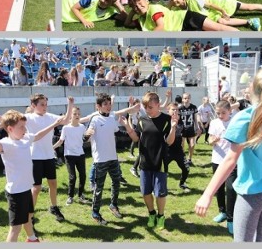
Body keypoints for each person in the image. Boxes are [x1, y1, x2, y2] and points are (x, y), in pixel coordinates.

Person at [0, 108, 66, 242]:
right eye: (21, 127)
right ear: (10, 129)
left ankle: (32, 239)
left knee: (28, 216)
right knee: (15, 228)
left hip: (26, 189)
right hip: (16, 193)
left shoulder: (25, 139)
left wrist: (54, 124)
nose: (25, 129)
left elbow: (39, 135)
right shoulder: (6, 143)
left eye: (25, 126)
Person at [195, 68, 262, 242]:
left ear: (255, 89)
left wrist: (207, 194)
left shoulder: (245, 118)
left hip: (251, 194)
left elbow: (230, 159)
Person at [124, 92, 178, 230]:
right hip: (145, 162)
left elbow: (169, 142)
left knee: (160, 193)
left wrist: (173, 127)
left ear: (158, 105)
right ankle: (151, 213)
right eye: (145, 107)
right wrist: (128, 127)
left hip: (160, 162)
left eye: (150, 107)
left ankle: (160, 215)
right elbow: (137, 139)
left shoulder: (167, 119)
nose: (147, 110)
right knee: (145, 192)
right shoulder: (142, 119)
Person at [84, 93, 139, 225]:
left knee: (116, 183)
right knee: (99, 188)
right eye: (105, 104)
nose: (108, 106)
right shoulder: (95, 119)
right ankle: (95, 213)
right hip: (100, 161)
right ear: (98, 106)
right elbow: (86, 136)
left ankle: (113, 205)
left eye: (109, 103)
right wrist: (86, 135)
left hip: (113, 159)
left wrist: (130, 131)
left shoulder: (111, 118)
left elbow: (118, 133)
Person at [126, 0, 239, 31]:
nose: (139, 7)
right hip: (182, 28)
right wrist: (132, 12)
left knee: (219, 29)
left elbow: (160, 26)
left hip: (187, 18)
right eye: (136, 7)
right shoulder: (142, 18)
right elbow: (128, 24)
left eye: (140, 4)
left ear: (147, 1)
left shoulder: (154, 9)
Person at [169, 0, 262, 31]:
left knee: (248, 7)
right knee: (220, 22)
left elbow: (210, 5)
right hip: (209, 18)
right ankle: (249, 21)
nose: (174, 1)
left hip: (221, 4)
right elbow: (166, 13)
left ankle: (254, 18)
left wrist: (222, 11)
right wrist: (169, 4)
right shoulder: (177, 8)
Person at [206, 100, 237, 230]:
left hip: (231, 160)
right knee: (219, 187)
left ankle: (231, 219)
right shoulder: (214, 123)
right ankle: (222, 212)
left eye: (223, 113)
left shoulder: (235, 122)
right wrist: (212, 140)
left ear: (230, 111)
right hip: (217, 159)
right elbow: (209, 140)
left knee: (230, 189)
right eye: (218, 113)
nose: (220, 115)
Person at [53, 106, 89, 205]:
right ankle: (70, 196)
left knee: (83, 175)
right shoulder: (66, 128)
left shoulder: (82, 127)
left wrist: (91, 135)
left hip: (80, 154)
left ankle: (81, 194)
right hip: (69, 155)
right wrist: (51, 148)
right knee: (72, 177)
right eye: (74, 114)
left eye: (78, 114)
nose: (77, 115)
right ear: (70, 116)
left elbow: (85, 139)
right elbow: (61, 141)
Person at [62, 0, 126, 28]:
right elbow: (74, 8)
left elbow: (126, 19)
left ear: (112, 2)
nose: (103, 0)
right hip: (64, 2)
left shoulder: (110, 11)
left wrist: (118, 5)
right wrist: (84, 21)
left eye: (107, 0)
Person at [165, 102, 191, 192]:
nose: (175, 112)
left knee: (186, 168)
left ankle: (182, 183)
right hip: (167, 150)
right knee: (163, 170)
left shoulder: (180, 121)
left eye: (177, 110)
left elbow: (182, 135)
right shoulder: (165, 121)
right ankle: (162, 186)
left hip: (178, 150)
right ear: (168, 110)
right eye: (173, 109)